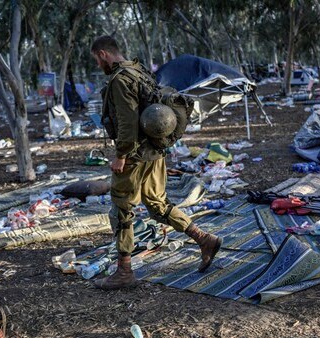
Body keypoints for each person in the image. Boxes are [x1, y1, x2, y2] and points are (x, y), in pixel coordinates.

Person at [90, 35, 223, 290]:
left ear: (103, 54)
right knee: (157, 204)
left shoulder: (120, 79)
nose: (99, 65)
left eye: (97, 60)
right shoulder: (140, 71)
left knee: (121, 209)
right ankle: (204, 239)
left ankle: (124, 272)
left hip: (134, 156)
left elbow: (128, 122)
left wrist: (121, 155)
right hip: (154, 152)